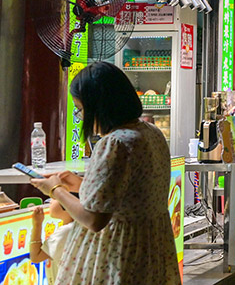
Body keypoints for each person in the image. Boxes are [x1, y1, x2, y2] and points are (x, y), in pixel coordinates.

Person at [29, 62, 181, 284]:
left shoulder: (115, 143)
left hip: (118, 253)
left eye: (81, 109)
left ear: (98, 107)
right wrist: (82, 184)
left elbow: (94, 219)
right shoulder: (151, 133)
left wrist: (56, 190)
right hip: (152, 248)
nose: (82, 117)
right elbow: (128, 195)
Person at [30, 200, 75, 285]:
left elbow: (36, 257)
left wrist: (37, 224)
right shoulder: (74, 226)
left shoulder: (66, 231)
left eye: (54, 198)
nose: (49, 201)